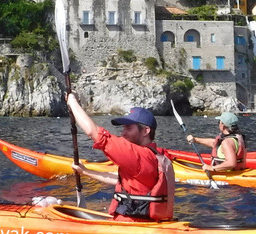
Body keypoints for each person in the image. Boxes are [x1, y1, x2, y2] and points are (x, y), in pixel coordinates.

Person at [66, 92, 175, 221]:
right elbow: (119, 180)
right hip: (143, 223)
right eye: (123, 128)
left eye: (128, 128)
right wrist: (86, 172)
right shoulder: (154, 155)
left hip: (131, 225)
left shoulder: (139, 155)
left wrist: (72, 101)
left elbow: (93, 132)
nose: (123, 133)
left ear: (146, 131)